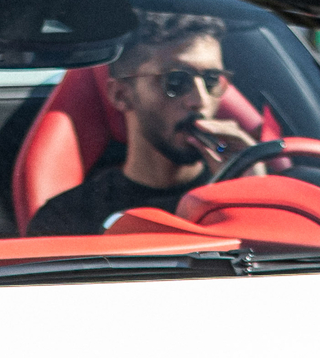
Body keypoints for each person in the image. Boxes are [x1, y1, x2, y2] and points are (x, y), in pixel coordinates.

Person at [24, 15, 259, 239]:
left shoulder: (240, 195)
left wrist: (256, 190)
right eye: (176, 81)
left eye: (211, 80)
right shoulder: (70, 218)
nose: (201, 101)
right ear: (120, 95)